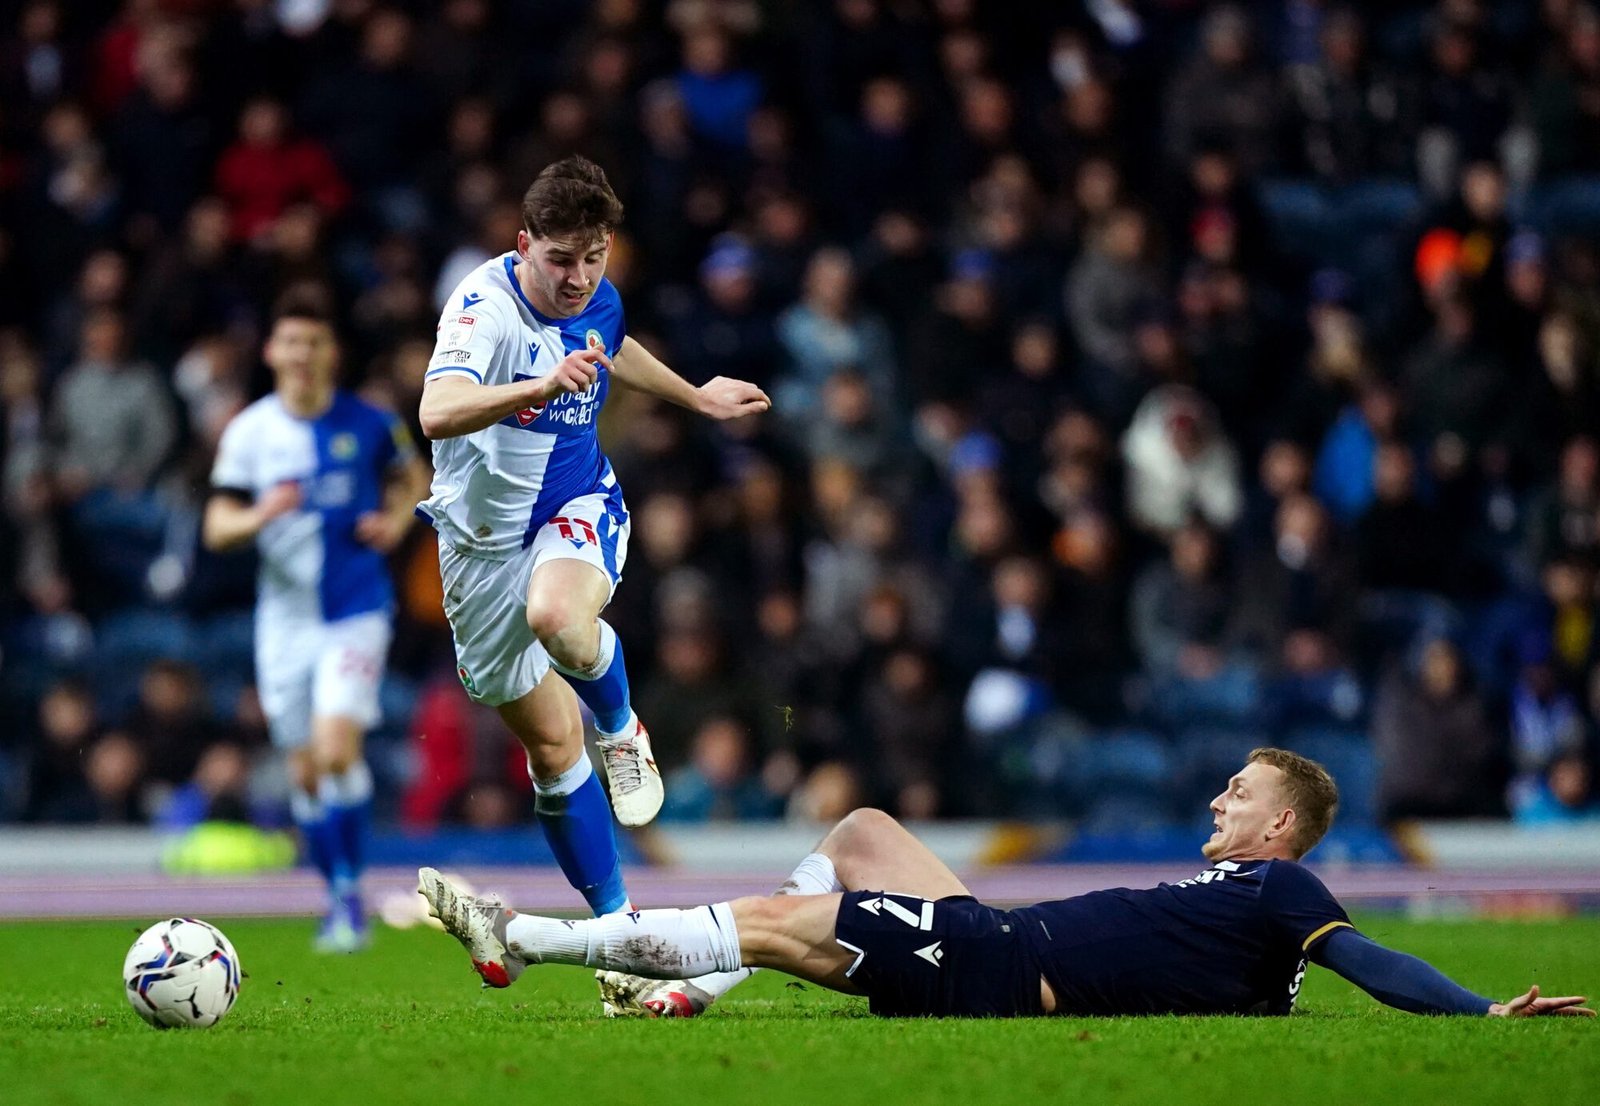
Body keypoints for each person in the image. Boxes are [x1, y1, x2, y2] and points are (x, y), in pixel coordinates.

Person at [418, 748, 1594, 1020]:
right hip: (1002, 934)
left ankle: (524, 936)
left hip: (1003, 965)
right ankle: (688, 992)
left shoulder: (1284, 892)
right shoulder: (1245, 907)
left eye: (1236, 792)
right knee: (867, 826)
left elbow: (1366, 956)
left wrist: (1479, 1009)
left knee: (776, 924)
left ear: (1280, 822)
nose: (1215, 803)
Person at [416, 155, 769, 928]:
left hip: (576, 505)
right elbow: (437, 411)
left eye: (594, 257)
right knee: (550, 749)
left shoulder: (597, 295)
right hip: (478, 548)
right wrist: (540, 386)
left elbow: (616, 342)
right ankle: (619, 930)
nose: (579, 278)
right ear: (522, 246)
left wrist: (695, 395)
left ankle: (623, 728)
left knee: (558, 617)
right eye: (560, 260)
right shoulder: (483, 308)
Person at [204, 294, 430, 952]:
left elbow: (413, 474)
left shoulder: (369, 422)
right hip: (283, 621)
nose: (302, 354)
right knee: (304, 771)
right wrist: (261, 515)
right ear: (272, 352)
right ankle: (336, 894)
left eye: (314, 342)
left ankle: (349, 902)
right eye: (291, 342)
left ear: (332, 354)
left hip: (355, 608)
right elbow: (217, 527)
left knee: (337, 752)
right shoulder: (250, 432)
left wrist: (392, 520)